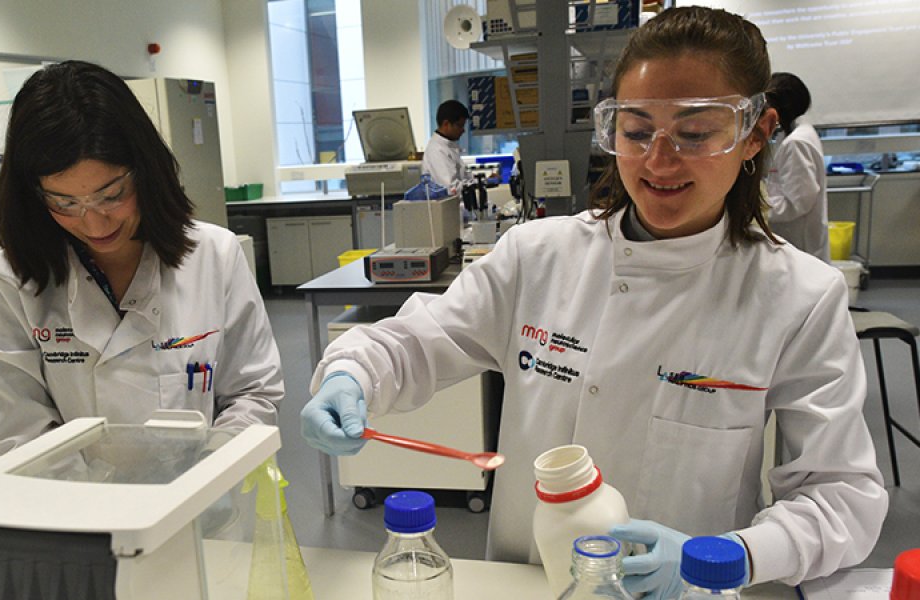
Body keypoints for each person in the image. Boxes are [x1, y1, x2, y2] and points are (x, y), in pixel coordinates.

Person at [301, 7, 885, 600]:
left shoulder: (798, 295)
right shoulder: (539, 255)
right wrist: (352, 374)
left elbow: (841, 495)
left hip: (683, 592)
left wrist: (731, 555)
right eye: (635, 131)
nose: (659, 161)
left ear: (753, 135)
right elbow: (418, 341)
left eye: (695, 133)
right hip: (531, 583)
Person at [0, 61, 283, 455]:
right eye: (65, 202)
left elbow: (252, 393)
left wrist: (208, 476)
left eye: (111, 195)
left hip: (203, 500)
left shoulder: (214, 255)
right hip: (76, 508)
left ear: (145, 171)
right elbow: (20, 428)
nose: (95, 223)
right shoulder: (8, 277)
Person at [764, 73, 830, 262]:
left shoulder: (797, 142)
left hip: (800, 240)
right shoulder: (789, 135)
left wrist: (759, 209)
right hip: (795, 237)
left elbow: (798, 203)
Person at [422, 99, 474, 194]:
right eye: (459, 126)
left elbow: (464, 177)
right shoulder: (437, 151)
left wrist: (482, 181)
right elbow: (451, 189)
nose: (463, 130)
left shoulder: (448, 146)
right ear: (446, 124)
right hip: (449, 206)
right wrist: (475, 185)